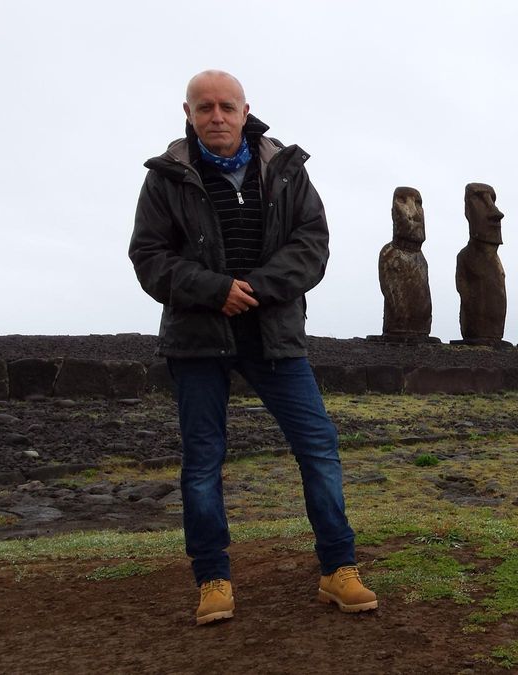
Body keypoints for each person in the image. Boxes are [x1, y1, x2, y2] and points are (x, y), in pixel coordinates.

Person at [129, 70, 377, 625]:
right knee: (202, 463)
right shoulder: (166, 178)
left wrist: (256, 289)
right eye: (204, 107)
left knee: (318, 447)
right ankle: (213, 579)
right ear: (188, 114)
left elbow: (312, 244)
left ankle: (339, 569)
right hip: (197, 341)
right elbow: (148, 257)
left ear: (246, 111)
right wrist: (215, 290)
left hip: (275, 337)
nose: (216, 116)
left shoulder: (286, 170)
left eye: (226, 106)